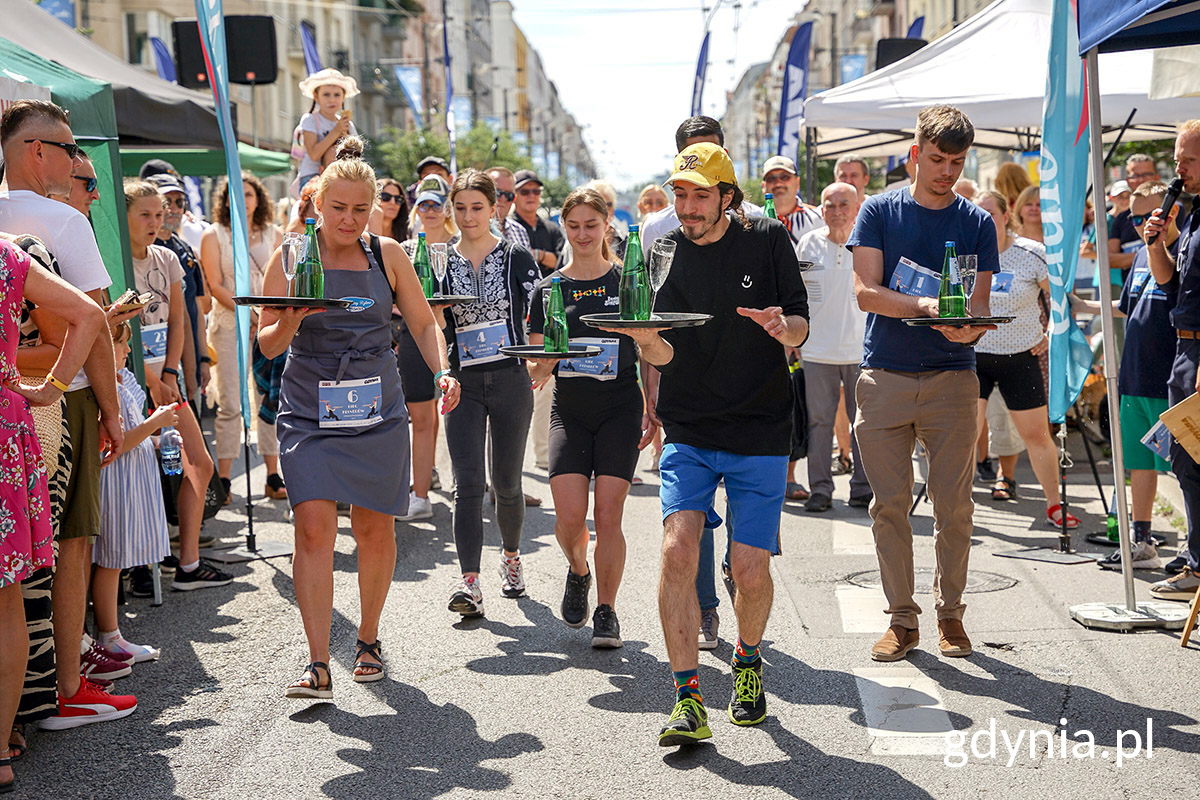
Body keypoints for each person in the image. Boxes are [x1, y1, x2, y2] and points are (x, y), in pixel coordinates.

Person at [616, 142, 808, 746]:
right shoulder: (661, 252)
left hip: (759, 427)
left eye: (701, 195)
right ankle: (688, 697)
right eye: (680, 194)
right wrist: (642, 341)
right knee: (677, 550)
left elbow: (802, 321)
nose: (688, 207)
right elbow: (667, 353)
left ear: (727, 196)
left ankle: (748, 664)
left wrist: (784, 328)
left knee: (749, 569)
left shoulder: (768, 239)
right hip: (691, 428)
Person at [257, 137, 459, 696]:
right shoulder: (293, 256)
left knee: (373, 527)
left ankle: (368, 637)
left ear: (373, 209)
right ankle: (318, 661)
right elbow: (269, 344)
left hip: (376, 405)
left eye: (360, 209)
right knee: (313, 526)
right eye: (338, 208)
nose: (349, 219)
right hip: (308, 406)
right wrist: (298, 314)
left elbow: (421, 323)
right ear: (317, 204)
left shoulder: (388, 254)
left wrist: (441, 371)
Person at [848, 104, 1000, 663]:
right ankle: (901, 620)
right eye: (936, 159)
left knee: (954, 506)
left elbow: (979, 310)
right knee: (888, 507)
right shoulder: (878, 211)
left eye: (957, 162)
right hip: (883, 375)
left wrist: (968, 332)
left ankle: (951, 615)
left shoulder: (978, 222)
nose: (946, 171)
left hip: (952, 379)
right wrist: (926, 304)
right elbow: (865, 292)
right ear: (915, 155)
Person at [0, 99, 132, 731]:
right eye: (67, 149)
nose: (77, 162)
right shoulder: (60, 220)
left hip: (8, 395)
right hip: (60, 396)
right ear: (36, 152)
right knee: (68, 543)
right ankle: (67, 686)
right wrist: (111, 410)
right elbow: (97, 323)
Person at [0, 236, 113, 788]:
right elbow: (89, 315)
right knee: (8, 597)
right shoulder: (9, 254)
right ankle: (1, 747)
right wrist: (54, 386)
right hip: (7, 426)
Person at [525, 188, 653, 648]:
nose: (582, 234)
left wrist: (654, 407)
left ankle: (607, 610)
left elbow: (648, 351)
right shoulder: (549, 288)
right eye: (574, 226)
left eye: (591, 225)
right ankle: (578, 570)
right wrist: (547, 361)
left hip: (620, 408)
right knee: (569, 519)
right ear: (564, 227)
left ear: (606, 227)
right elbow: (535, 365)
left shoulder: (628, 281)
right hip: (570, 412)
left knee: (608, 515)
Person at [438, 170, 540, 618]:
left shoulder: (516, 256)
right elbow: (430, 324)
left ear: (494, 207)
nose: (468, 216)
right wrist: (443, 367)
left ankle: (512, 558)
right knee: (467, 484)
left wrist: (538, 362)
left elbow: (541, 311)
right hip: (463, 381)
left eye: (476, 207)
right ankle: (470, 583)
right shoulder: (441, 260)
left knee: (507, 482)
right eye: (459, 208)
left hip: (510, 379)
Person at [125, 180, 226, 591]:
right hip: (130, 379)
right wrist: (149, 379)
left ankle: (188, 563)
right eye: (144, 214)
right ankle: (140, 564)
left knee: (198, 463)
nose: (154, 222)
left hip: (169, 378)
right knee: (141, 468)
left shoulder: (167, 258)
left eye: (159, 213)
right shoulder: (114, 260)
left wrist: (170, 374)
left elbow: (181, 320)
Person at [1084, 181, 1179, 571]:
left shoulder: (1184, 252)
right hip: (1135, 377)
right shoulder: (1141, 255)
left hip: (1172, 379)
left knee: (1183, 469)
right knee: (1139, 464)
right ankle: (1141, 540)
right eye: (1134, 218)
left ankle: (1192, 551)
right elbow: (1127, 307)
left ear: (1171, 213)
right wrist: (1078, 305)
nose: (1141, 224)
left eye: (1149, 215)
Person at [972, 191, 1077, 528]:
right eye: (977, 214)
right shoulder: (965, 254)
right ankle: (956, 502)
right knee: (965, 434)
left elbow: (1061, 300)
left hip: (1020, 356)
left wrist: (1051, 336)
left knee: (1036, 435)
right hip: (974, 356)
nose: (984, 220)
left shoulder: (1032, 253)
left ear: (1007, 214)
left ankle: (1053, 505)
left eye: (989, 212)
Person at [92, 322, 176, 664]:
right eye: (123, 344)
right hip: (117, 479)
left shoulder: (120, 379)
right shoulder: (103, 386)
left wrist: (157, 440)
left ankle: (112, 635)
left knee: (118, 560)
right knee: (112, 561)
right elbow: (118, 443)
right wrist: (156, 423)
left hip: (129, 477)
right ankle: (109, 635)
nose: (128, 351)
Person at [200, 174, 286, 502]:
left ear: (258, 198)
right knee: (231, 403)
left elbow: (280, 280)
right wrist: (247, 313)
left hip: (267, 324)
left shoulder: (272, 233)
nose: (243, 199)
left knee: (268, 398)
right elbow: (215, 283)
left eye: (248, 193)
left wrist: (264, 316)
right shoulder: (214, 235)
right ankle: (224, 478)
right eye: (236, 194)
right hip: (228, 325)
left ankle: (272, 474)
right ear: (224, 200)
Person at [1143, 121, 1200, 600]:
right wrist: (1155, 244)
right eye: (1178, 159)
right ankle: (1196, 557)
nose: (1178, 170)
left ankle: (1199, 566)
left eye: (1189, 160)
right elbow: (1170, 286)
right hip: (1184, 346)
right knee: (1183, 455)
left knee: (1196, 455)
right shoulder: (1194, 215)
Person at [796, 182, 871, 512]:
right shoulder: (808, 244)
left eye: (844, 204)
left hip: (862, 351)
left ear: (857, 207)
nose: (837, 211)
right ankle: (821, 490)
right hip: (816, 351)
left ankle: (863, 488)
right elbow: (796, 296)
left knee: (864, 425)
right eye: (830, 204)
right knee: (819, 424)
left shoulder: (869, 243)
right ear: (821, 208)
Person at [397, 176, 457, 520]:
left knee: (463, 416)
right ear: (416, 209)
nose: (430, 211)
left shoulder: (460, 246)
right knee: (420, 418)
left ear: (446, 208)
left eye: (436, 204)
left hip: (456, 338)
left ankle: (473, 485)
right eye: (424, 204)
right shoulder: (404, 249)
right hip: (414, 337)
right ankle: (419, 495)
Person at [146, 173, 210, 410]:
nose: (173, 208)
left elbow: (198, 307)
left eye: (179, 202)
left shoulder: (185, 250)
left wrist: (204, 359)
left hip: (189, 358)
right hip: (158, 363)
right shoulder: (145, 251)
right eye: (167, 202)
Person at [295, 68, 359, 193]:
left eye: (337, 95)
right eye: (326, 94)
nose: (332, 100)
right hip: (312, 177)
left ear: (343, 97)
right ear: (316, 96)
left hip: (342, 178)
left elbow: (355, 156)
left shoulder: (348, 125)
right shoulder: (310, 119)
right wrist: (336, 131)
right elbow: (314, 154)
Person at [1108, 154, 1160, 275]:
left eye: (1146, 174)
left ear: (1157, 177)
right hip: (1133, 288)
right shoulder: (1121, 218)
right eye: (1135, 175)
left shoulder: (1172, 209)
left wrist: (1127, 258)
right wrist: (1152, 253)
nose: (1141, 180)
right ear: (1127, 180)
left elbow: (1172, 251)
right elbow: (1109, 259)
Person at [510, 169, 565, 277]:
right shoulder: (508, 227)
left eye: (536, 191)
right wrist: (547, 258)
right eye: (524, 192)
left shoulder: (552, 228)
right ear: (514, 195)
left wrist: (538, 255)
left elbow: (562, 262)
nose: (531, 195)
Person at [761, 155, 823, 244]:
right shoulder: (753, 221)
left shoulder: (819, 219)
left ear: (797, 182)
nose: (778, 183)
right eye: (771, 178)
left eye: (785, 177)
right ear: (763, 186)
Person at [485, 166, 530, 248]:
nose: (502, 199)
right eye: (497, 192)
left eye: (509, 195)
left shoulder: (520, 231)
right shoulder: (470, 228)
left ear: (514, 199)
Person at [368, 176, 410, 244]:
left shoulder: (408, 234)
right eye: (385, 197)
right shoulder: (361, 232)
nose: (393, 202)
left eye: (398, 199)